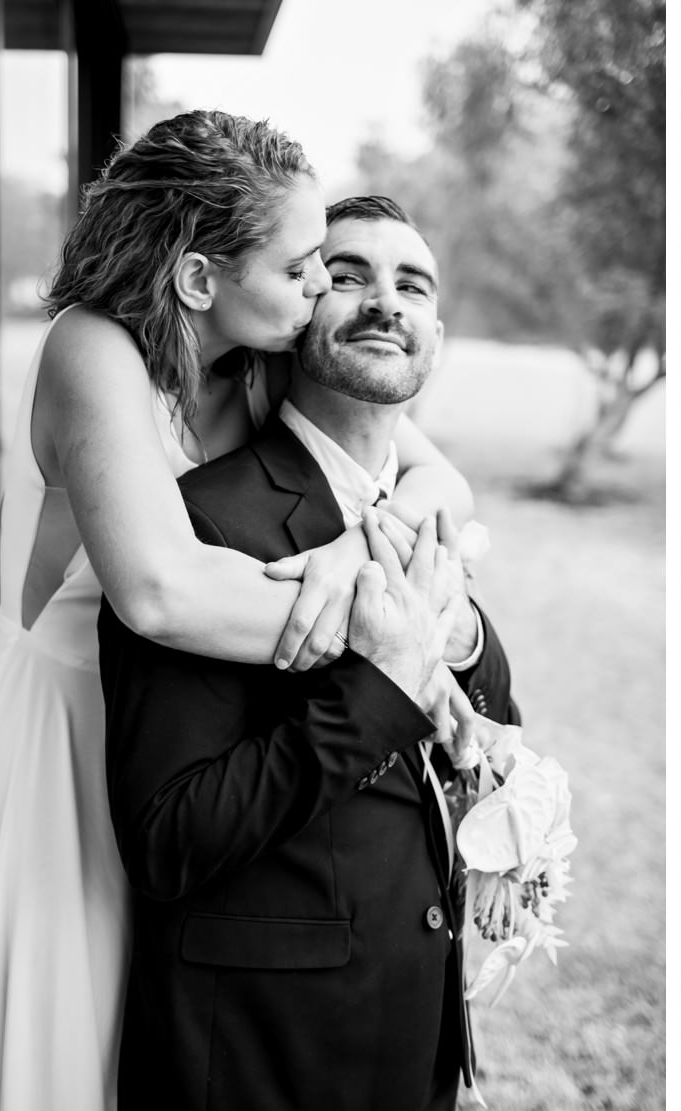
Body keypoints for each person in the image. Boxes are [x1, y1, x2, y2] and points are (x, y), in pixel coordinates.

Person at [0, 112, 472, 1111]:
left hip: (184, 726)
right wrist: (391, 630)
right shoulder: (92, 352)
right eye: (304, 267)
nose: (323, 290)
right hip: (67, 734)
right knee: (67, 1040)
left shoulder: (252, 365)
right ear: (198, 281)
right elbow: (160, 591)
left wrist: (386, 557)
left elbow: (440, 484)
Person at [100, 195, 513, 1111]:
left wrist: (465, 638)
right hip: (265, 1054)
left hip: (410, 1038)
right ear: (292, 319)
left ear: (435, 339)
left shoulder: (423, 511)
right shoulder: (203, 522)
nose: (385, 300)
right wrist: (381, 686)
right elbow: (168, 838)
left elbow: (487, 706)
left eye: (412, 283)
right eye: (348, 274)